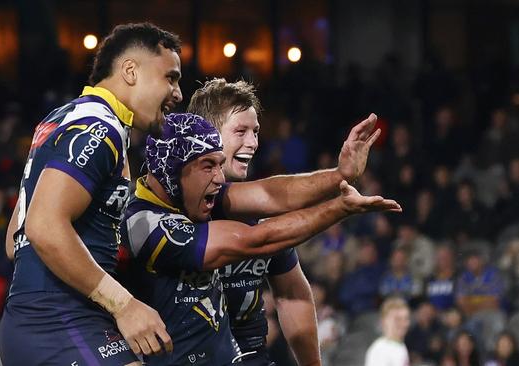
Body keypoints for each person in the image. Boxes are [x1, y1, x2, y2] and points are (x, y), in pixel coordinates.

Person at [120, 113, 401, 364]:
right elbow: (255, 240)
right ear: (171, 170)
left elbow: (272, 194)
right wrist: (341, 207)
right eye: (208, 166)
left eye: (219, 164)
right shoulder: (145, 224)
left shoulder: (190, 195)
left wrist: (340, 175)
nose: (219, 178)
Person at [0, 22, 183, 365]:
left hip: (41, 321)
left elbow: (15, 240)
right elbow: (41, 227)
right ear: (131, 70)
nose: (177, 93)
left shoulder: (59, 120)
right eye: (170, 78)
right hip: (58, 319)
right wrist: (124, 304)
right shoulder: (100, 128)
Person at [187, 78, 382, 365]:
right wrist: (340, 177)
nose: (253, 143)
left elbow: (292, 294)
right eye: (240, 131)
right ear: (207, 134)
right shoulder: (178, 204)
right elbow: (271, 194)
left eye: (255, 132)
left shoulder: (260, 212)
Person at [364, 297, 411, 366]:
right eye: (397, 319)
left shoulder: (400, 345)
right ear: (384, 321)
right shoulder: (380, 349)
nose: (403, 324)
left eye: (406, 318)